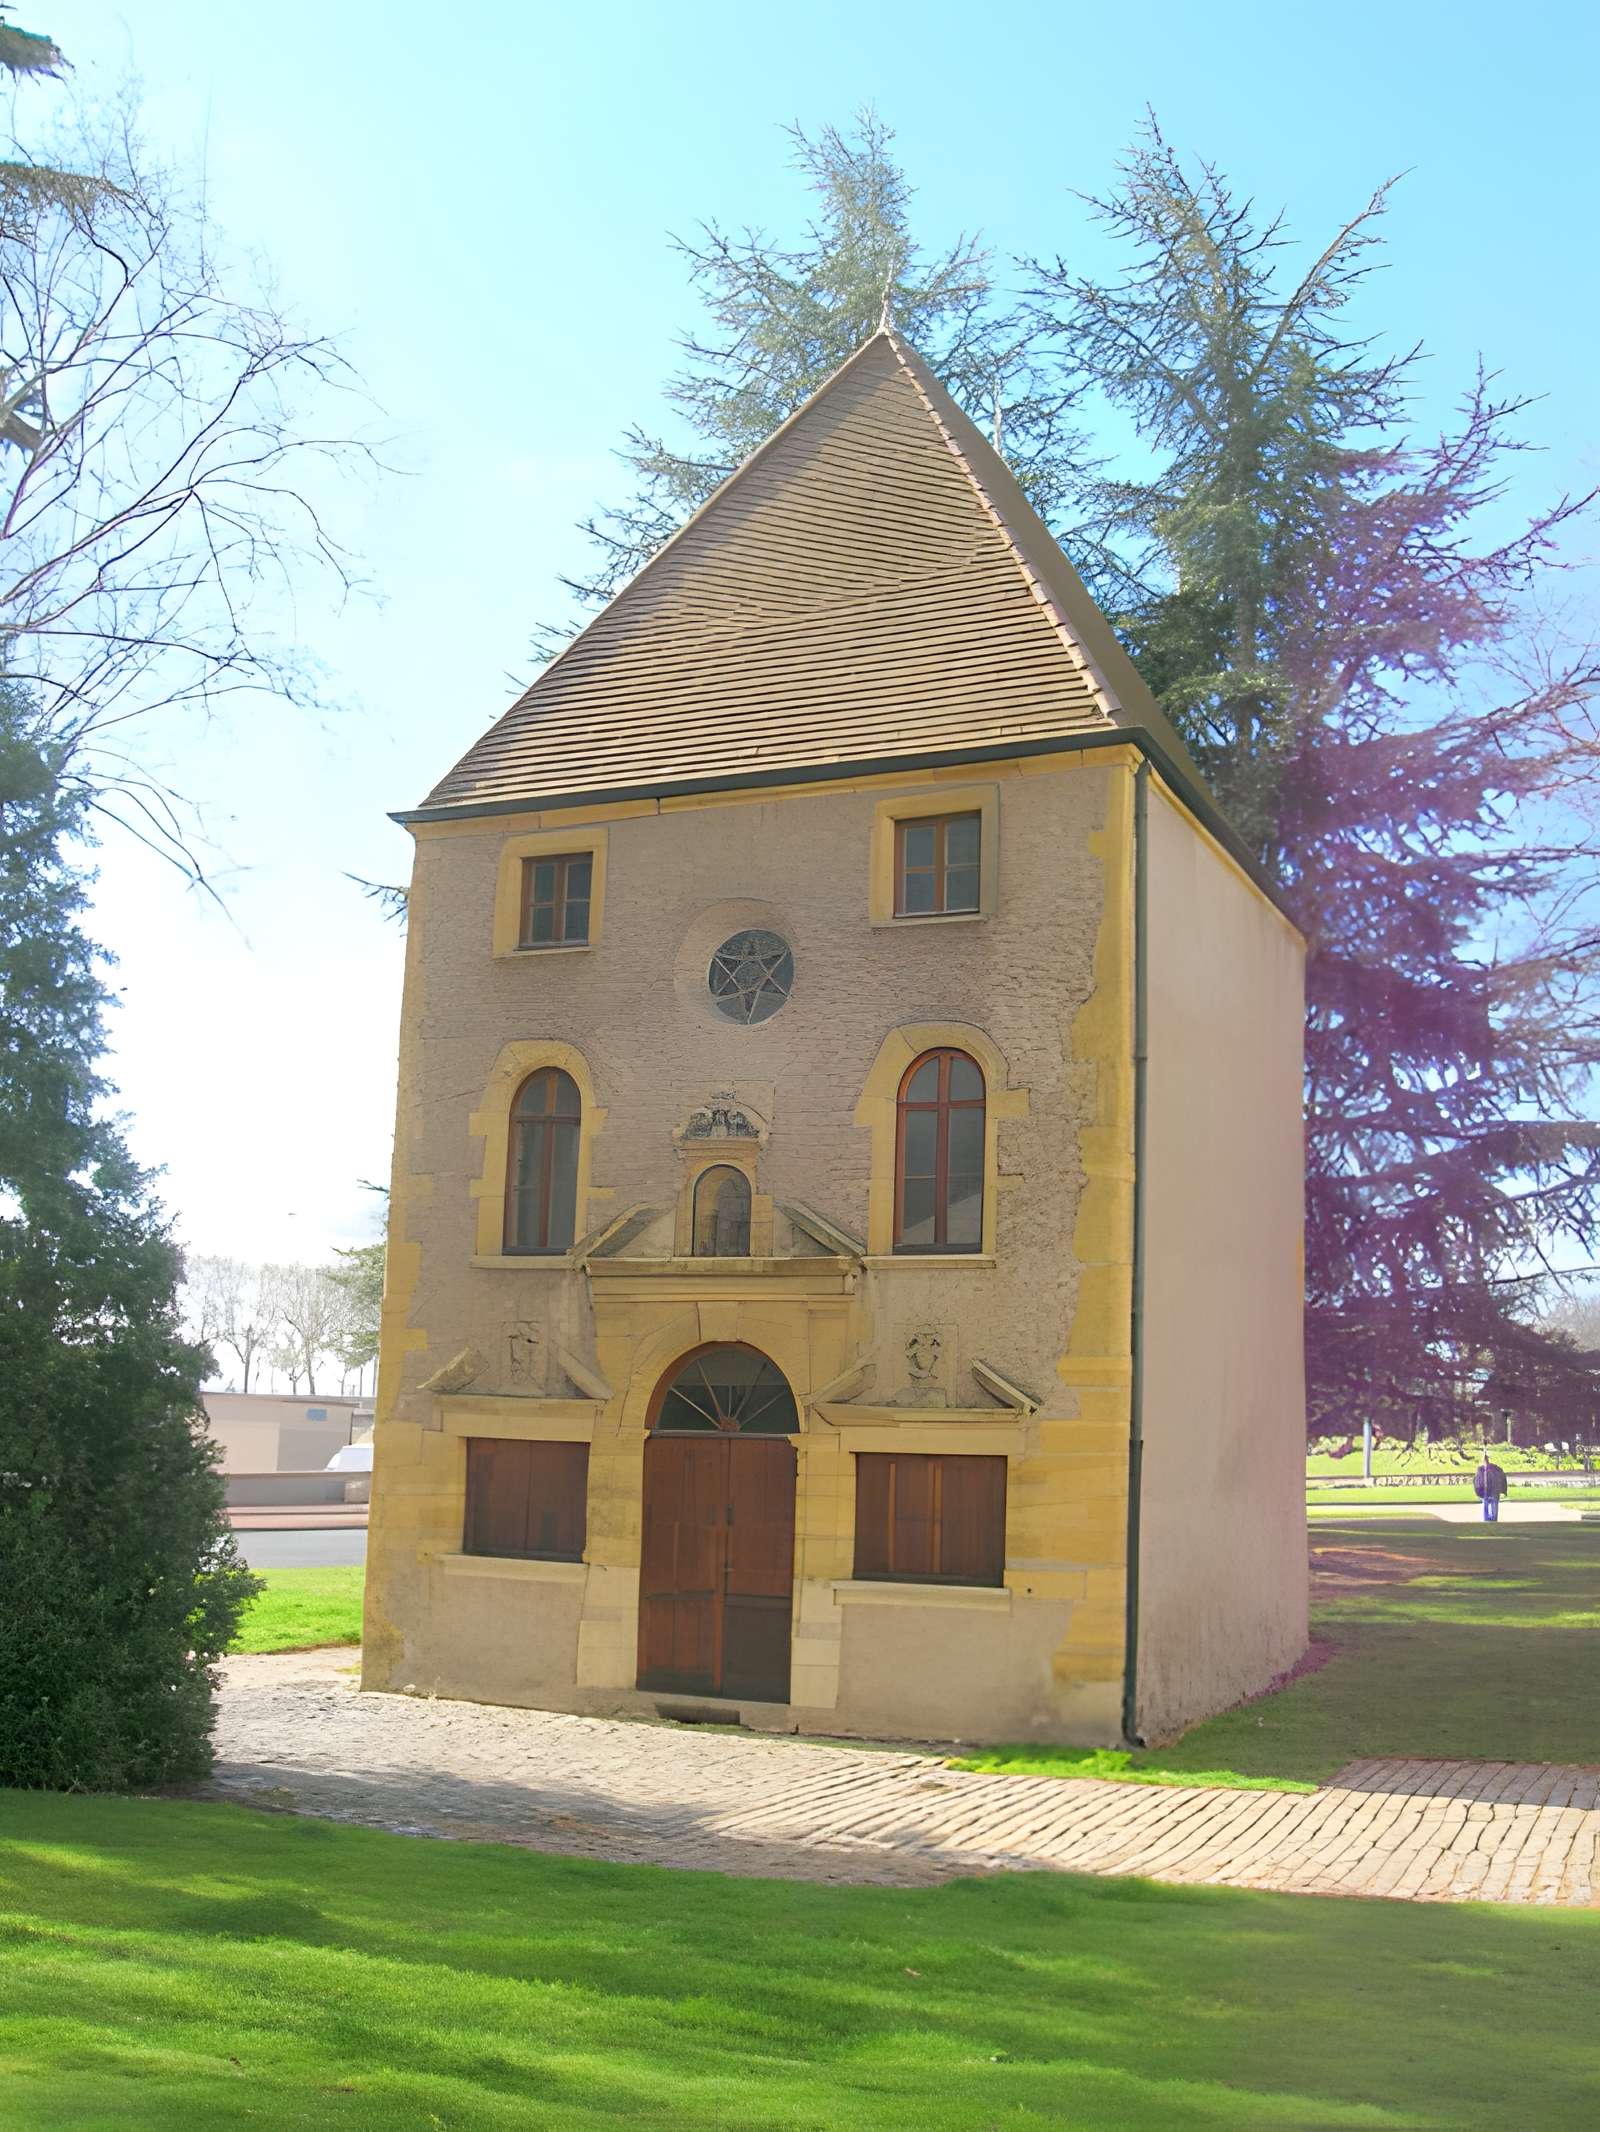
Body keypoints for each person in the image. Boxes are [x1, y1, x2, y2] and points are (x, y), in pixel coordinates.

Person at [1474, 1453, 1509, 1523]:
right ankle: (1489, 1520)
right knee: (1488, 1508)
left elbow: (1502, 1478)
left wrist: (1504, 1490)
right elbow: (1477, 1481)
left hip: (1492, 1491)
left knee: (1492, 1508)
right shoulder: (1481, 1470)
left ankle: (1491, 1520)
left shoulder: (1495, 1469)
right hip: (1487, 1491)